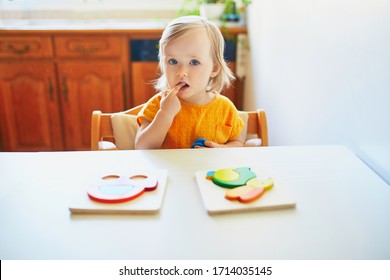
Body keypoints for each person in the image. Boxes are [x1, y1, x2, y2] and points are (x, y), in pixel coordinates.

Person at [135, 15, 244, 149]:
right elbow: (142, 148)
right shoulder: (158, 105)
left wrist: (221, 149)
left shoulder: (225, 109)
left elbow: (238, 143)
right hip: (170, 170)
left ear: (214, 68)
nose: (181, 72)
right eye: (173, 61)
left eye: (194, 62)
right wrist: (165, 114)